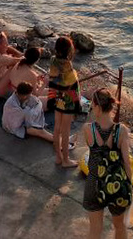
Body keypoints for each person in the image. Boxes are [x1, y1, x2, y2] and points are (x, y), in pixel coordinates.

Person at [82, 87, 133, 238]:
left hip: (94, 184)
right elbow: (127, 163)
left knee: (95, 229)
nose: (91, 109)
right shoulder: (121, 130)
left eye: (92, 106)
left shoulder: (87, 129)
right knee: (119, 226)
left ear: (97, 107)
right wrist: (128, 186)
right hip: (116, 183)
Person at [49, 35, 81, 167]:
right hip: (67, 100)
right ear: (69, 50)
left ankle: (58, 157)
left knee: (57, 128)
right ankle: (66, 160)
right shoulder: (68, 66)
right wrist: (77, 104)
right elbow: (73, 88)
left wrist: (51, 99)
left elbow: (52, 81)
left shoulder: (52, 61)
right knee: (65, 130)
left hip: (56, 97)